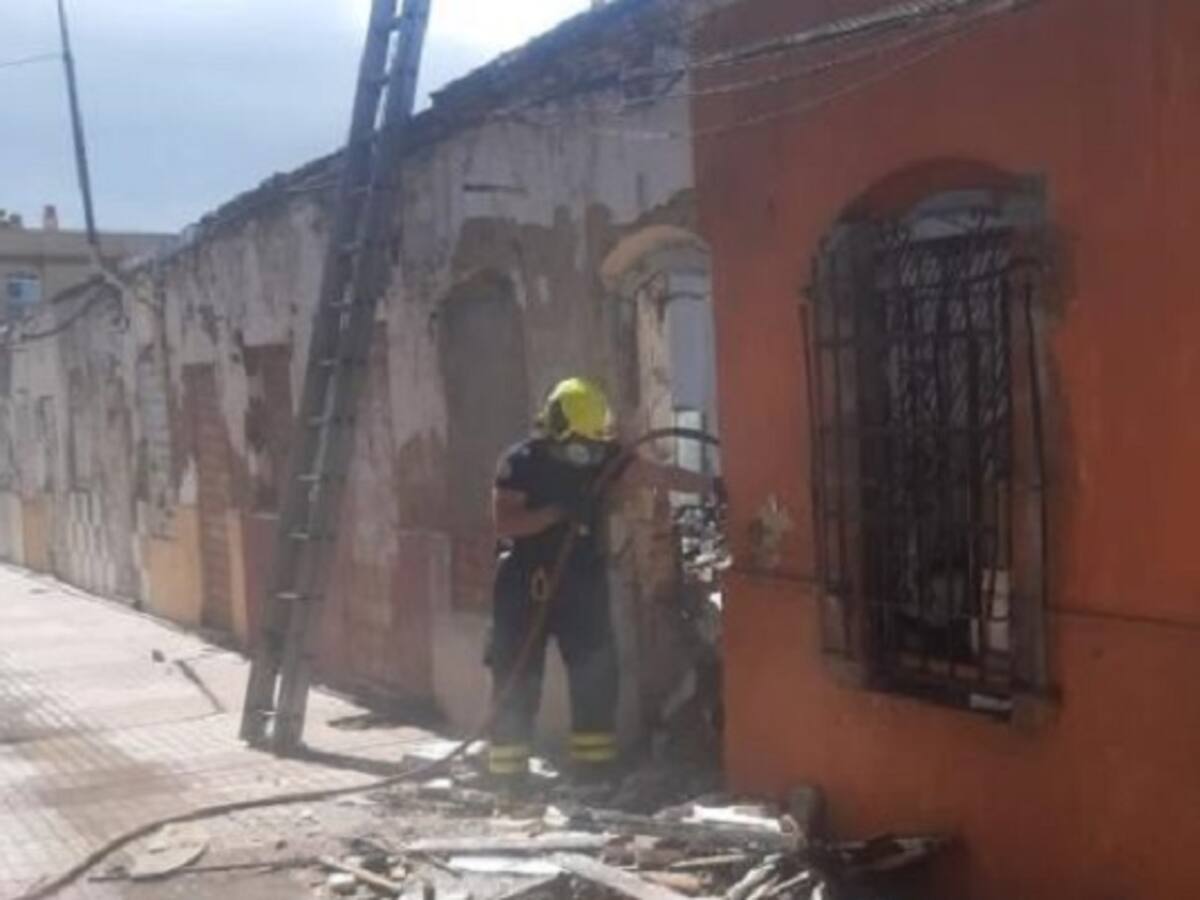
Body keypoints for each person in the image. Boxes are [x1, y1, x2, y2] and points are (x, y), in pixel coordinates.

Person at [485, 377, 719, 782]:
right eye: (581, 446)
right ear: (556, 430)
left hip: (581, 579)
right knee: (517, 676)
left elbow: (656, 475)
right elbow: (505, 522)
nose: (587, 455)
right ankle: (508, 774)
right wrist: (558, 514)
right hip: (526, 581)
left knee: (596, 671)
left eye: (594, 446)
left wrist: (713, 485)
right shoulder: (521, 462)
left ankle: (593, 770)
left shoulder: (601, 457)